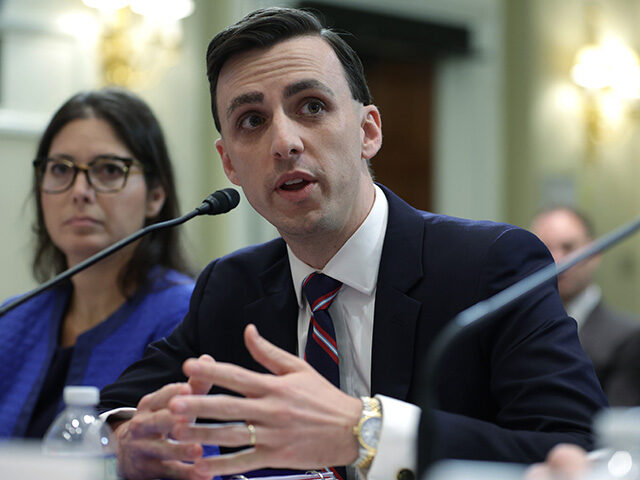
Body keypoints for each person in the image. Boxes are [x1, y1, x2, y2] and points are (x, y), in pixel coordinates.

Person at [99, 7, 607, 480]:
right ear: (229, 163)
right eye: (252, 121)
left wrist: (365, 431)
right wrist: (127, 439)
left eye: (312, 107)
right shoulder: (230, 288)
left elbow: (578, 450)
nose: (285, 142)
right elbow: (112, 406)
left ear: (368, 131)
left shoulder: (491, 266)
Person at [0, 88, 195, 439]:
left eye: (107, 170)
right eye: (60, 169)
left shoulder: (187, 315)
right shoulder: (11, 320)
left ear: (156, 196)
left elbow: (195, 458)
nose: (80, 190)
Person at [530, 206, 640, 404]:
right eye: (544, 248)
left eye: (568, 247)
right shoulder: (520, 330)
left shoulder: (629, 338)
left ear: (594, 253)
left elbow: (615, 427)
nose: (556, 260)